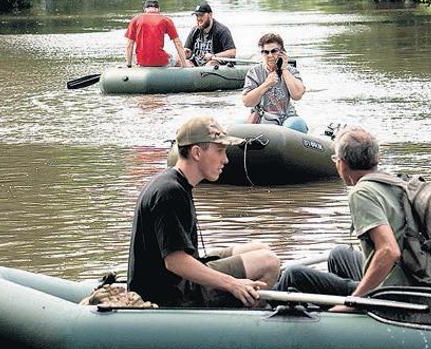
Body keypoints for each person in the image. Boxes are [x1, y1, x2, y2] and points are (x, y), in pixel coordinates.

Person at [127, 115, 280, 307]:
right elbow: (175, 262)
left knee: (260, 248)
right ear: (197, 153)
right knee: (269, 263)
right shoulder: (170, 192)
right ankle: (252, 324)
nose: (225, 159)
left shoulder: (174, 183)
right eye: (220, 150)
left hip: (177, 281)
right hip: (170, 293)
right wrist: (232, 284)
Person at [275, 128, 414, 310]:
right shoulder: (391, 181)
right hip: (408, 275)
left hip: (391, 291)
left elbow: (389, 250)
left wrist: (354, 301)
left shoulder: (362, 193)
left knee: (294, 275)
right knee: (339, 254)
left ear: (342, 164)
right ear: (377, 158)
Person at [242, 32, 307, 133]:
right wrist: (266, 84)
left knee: (296, 124)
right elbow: (247, 102)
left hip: (287, 117)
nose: (270, 55)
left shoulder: (291, 71)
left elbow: (297, 95)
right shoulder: (254, 72)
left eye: (274, 51)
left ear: (282, 53)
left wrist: (284, 69)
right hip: (264, 118)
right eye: (266, 52)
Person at [124, 0, 188, 68]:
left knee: (132, 55)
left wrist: (129, 65)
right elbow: (177, 43)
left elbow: (129, 45)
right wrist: (184, 64)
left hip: (141, 61)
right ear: (158, 9)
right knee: (175, 59)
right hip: (160, 61)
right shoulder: (166, 20)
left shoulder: (135, 19)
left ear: (144, 9)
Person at [184, 2, 237, 66]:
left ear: (210, 15)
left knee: (210, 64)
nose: (198, 18)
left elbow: (232, 52)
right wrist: (187, 53)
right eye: (197, 15)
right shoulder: (194, 31)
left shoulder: (222, 30)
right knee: (183, 62)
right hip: (197, 64)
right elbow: (186, 50)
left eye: (201, 15)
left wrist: (213, 56)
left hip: (217, 64)